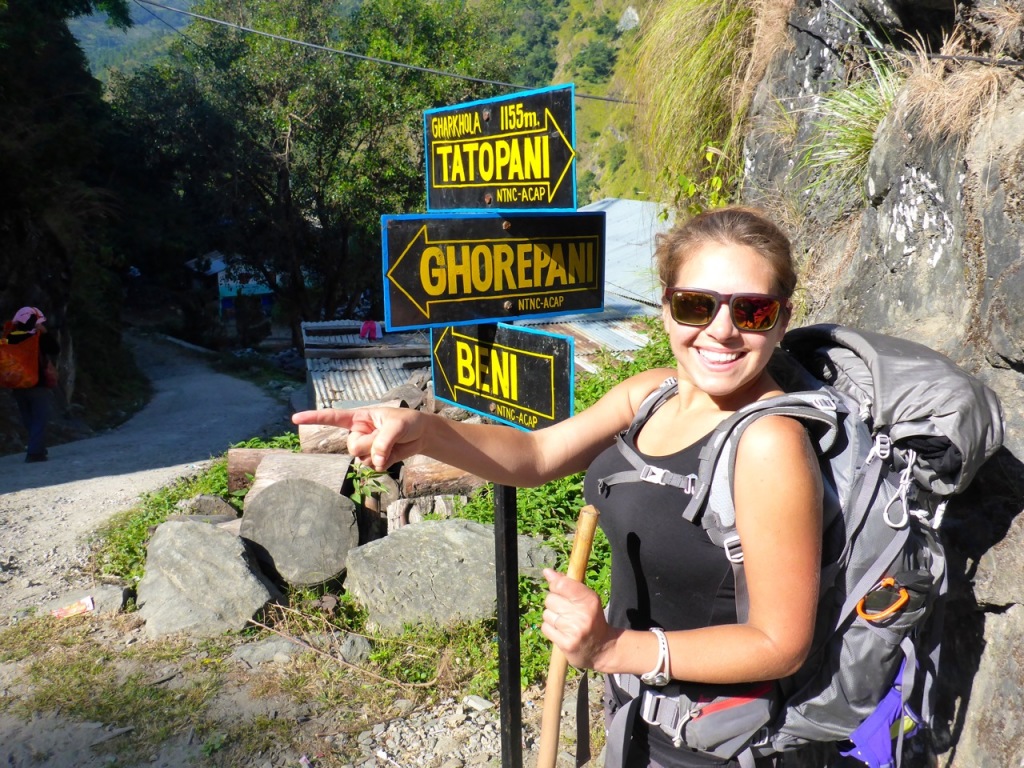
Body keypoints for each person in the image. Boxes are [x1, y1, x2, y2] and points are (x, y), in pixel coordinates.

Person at [292, 206, 824, 767]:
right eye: (697, 304)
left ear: (782, 319)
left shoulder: (771, 444)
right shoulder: (654, 393)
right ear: (667, 306)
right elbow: (538, 455)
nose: (721, 330)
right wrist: (424, 431)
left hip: (724, 742)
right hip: (641, 710)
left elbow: (779, 642)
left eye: (754, 310)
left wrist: (616, 648)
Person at [6, 306, 59, 463]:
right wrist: (45, 333)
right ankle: (35, 453)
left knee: (28, 418)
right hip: (37, 383)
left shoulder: (9, 337)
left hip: (17, 384)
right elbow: (55, 349)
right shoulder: (38, 338)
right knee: (40, 418)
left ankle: (37, 446)